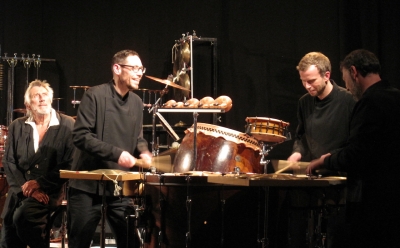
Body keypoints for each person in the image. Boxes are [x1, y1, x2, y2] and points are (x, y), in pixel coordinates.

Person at [307, 49, 400, 248]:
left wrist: (325, 161)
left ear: (354, 72)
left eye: (346, 79)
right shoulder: (396, 96)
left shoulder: (369, 102)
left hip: (375, 205)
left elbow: (357, 154)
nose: (347, 87)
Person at [67, 49, 152, 248]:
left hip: (118, 185)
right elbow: (81, 136)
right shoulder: (94, 95)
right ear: (117, 68)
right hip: (87, 185)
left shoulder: (137, 102)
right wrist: (117, 153)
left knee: (131, 242)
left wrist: (144, 151)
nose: (140, 73)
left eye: (141, 69)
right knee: (79, 243)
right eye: (134, 68)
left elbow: (138, 138)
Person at [285, 52, 356, 248]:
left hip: (340, 179)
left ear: (326, 75)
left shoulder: (348, 100)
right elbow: (301, 135)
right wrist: (297, 152)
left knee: (337, 237)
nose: (307, 86)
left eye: (311, 81)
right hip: (313, 177)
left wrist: (331, 158)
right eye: (303, 81)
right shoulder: (304, 102)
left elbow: (355, 141)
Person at [0, 80, 75, 248]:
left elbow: (70, 162)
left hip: (48, 191)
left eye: (45, 95)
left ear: (51, 99)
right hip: (19, 192)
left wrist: (39, 184)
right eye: (36, 96)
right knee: (8, 238)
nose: (42, 99)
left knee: (23, 217)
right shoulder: (17, 126)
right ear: (28, 104)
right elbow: (9, 161)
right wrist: (26, 188)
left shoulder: (68, 124)